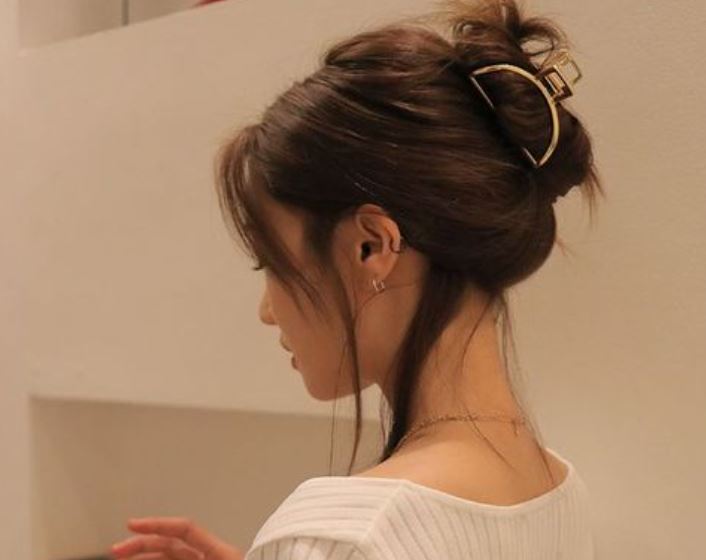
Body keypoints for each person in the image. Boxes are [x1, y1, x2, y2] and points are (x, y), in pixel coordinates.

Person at [110, 0, 604, 558]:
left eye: (271, 263)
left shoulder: (347, 537)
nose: (267, 311)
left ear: (371, 246)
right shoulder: (556, 488)